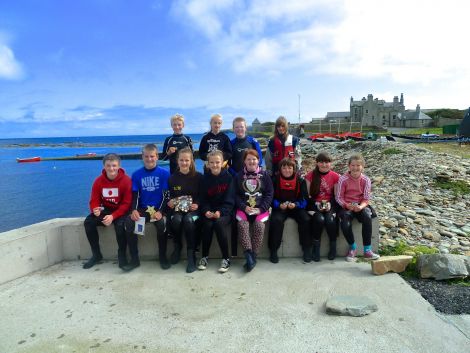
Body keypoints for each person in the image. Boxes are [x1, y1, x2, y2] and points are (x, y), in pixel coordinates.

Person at [124, 144, 171, 270]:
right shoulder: (136, 174)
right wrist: (134, 210)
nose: (149, 159)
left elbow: (166, 196)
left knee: (161, 224)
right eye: (146, 156)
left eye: (152, 156)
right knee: (129, 222)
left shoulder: (164, 173)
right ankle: (134, 260)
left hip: (158, 209)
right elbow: (135, 195)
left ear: (157, 157)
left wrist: (161, 211)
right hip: (143, 209)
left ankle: (163, 257)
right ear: (142, 157)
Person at [83, 153, 132, 269]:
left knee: (120, 226)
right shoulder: (98, 181)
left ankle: (122, 255)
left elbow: (126, 204)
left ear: (119, 166)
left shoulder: (126, 181)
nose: (111, 169)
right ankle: (96, 255)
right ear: (104, 166)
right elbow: (94, 200)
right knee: (88, 222)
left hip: (121, 211)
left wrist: (113, 216)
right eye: (108, 166)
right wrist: (95, 210)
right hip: (105, 210)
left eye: (114, 165)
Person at [228, 116, 263, 256]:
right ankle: (237, 251)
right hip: (237, 179)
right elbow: (228, 163)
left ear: (245, 127)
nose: (239, 129)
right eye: (236, 127)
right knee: (238, 210)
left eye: (241, 126)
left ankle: (252, 252)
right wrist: (236, 174)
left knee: (251, 206)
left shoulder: (252, 142)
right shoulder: (231, 143)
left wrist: (249, 174)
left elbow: (258, 161)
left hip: (252, 181)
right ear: (233, 129)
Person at [335, 153, 380, 262]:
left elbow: (366, 199)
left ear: (362, 167)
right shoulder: (343, 179)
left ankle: (367, 250)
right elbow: (338, 197)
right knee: (345, 221)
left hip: (360, 205)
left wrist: (360, 207)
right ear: (349, 166)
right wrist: (346, 205)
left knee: (367, 215)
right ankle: (353, 248)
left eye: (358, 165)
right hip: (347, 205)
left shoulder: (366, 180)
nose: (355, 168)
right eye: (353, 165)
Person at [234, 149, 273, 271]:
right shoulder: (239, 175)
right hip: (244, 208)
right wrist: (243, 207)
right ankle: (248, 256)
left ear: (258, 160)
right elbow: (235, 195)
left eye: (254, 159)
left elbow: (269, 193)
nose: (251, 161)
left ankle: (254, 256)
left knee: (259, 226)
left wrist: (261, 209)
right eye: (248, 159)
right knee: (242, 225)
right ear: (244, 161)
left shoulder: (265, 175)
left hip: (260, 209)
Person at [167, 148, 202, 273]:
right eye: (181, 160)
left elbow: (202, 196)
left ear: (191, 161)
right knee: (176, 220)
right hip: (178, 210)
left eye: (187, 160)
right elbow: (170, 196)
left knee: (188, 220)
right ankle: (177, 246)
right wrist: (170, 201)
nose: (184, 163)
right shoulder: (172, 178)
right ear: (177, 161)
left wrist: (197, 204)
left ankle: (191, 254)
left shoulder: (199, 177)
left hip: (194, 212)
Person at [268, 157, 310, 264]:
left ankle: (306, 249)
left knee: (306, 219)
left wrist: (296, 205)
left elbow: (305, 200)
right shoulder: (274, 180)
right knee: (276, 221)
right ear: (280, 169)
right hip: (280, 207)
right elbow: (270, 198)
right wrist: (278, 205)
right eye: (284, 168)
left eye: (290, 168)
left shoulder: (300, 181)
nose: (287, 170)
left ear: (294, 169)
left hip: (295, 207)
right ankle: (273, 250)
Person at [199, 150, 234, 273]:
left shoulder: (229, 178)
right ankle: (204, 256)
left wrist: (220, 211)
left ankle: (226, 258)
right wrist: (206, 211)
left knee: (219, 224)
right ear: (208, 164)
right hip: (209, 211)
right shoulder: (205, 179)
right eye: (212, 162)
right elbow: (202, 199)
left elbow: (230, 200)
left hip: (225, 212)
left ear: (222, 162)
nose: (214, 165)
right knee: (207, 224)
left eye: (217, 162)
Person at [305, 152, 340, 262]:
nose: (324, 165)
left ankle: (333, 248)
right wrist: (317, 205)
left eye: (327, 162)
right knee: (319, 220)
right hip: (314, 205)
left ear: (330, 163)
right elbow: (307, 196)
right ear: (317, 163)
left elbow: (336, 196)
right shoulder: (310, 175)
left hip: (330, 205)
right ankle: (316, 249)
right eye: (321, 162)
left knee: (330, 220)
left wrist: (330, 205)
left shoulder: (335, 176)